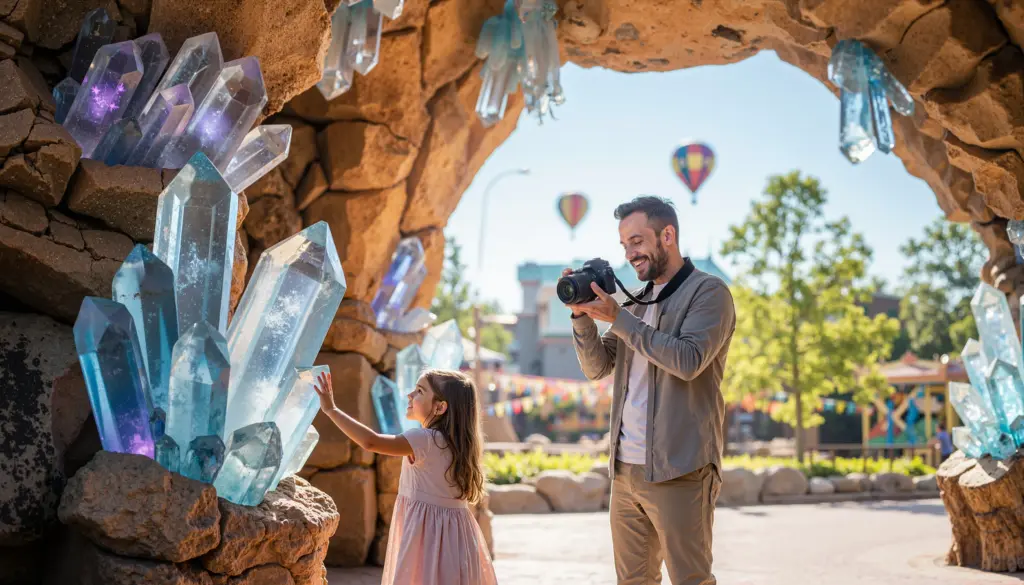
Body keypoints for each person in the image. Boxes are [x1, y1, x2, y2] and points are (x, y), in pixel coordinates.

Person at [566, 195, 736, 585]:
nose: (630, 253)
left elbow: (689, 360)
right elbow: (598, 367)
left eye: (638, 241)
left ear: (668, 235)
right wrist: (583, 318)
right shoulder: (637, 302)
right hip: (625, 471)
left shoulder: (709, 294)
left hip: (681, 468)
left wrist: (620, 319)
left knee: (690, 579)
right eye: (625, 245)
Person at [313, 368, 498, 585]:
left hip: (427, 536)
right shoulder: (460, 446)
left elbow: (371, 442)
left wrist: (331, 409)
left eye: (419, 391)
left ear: (440, 407)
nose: (410, 395)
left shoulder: (424, 439)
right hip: (458, 537)